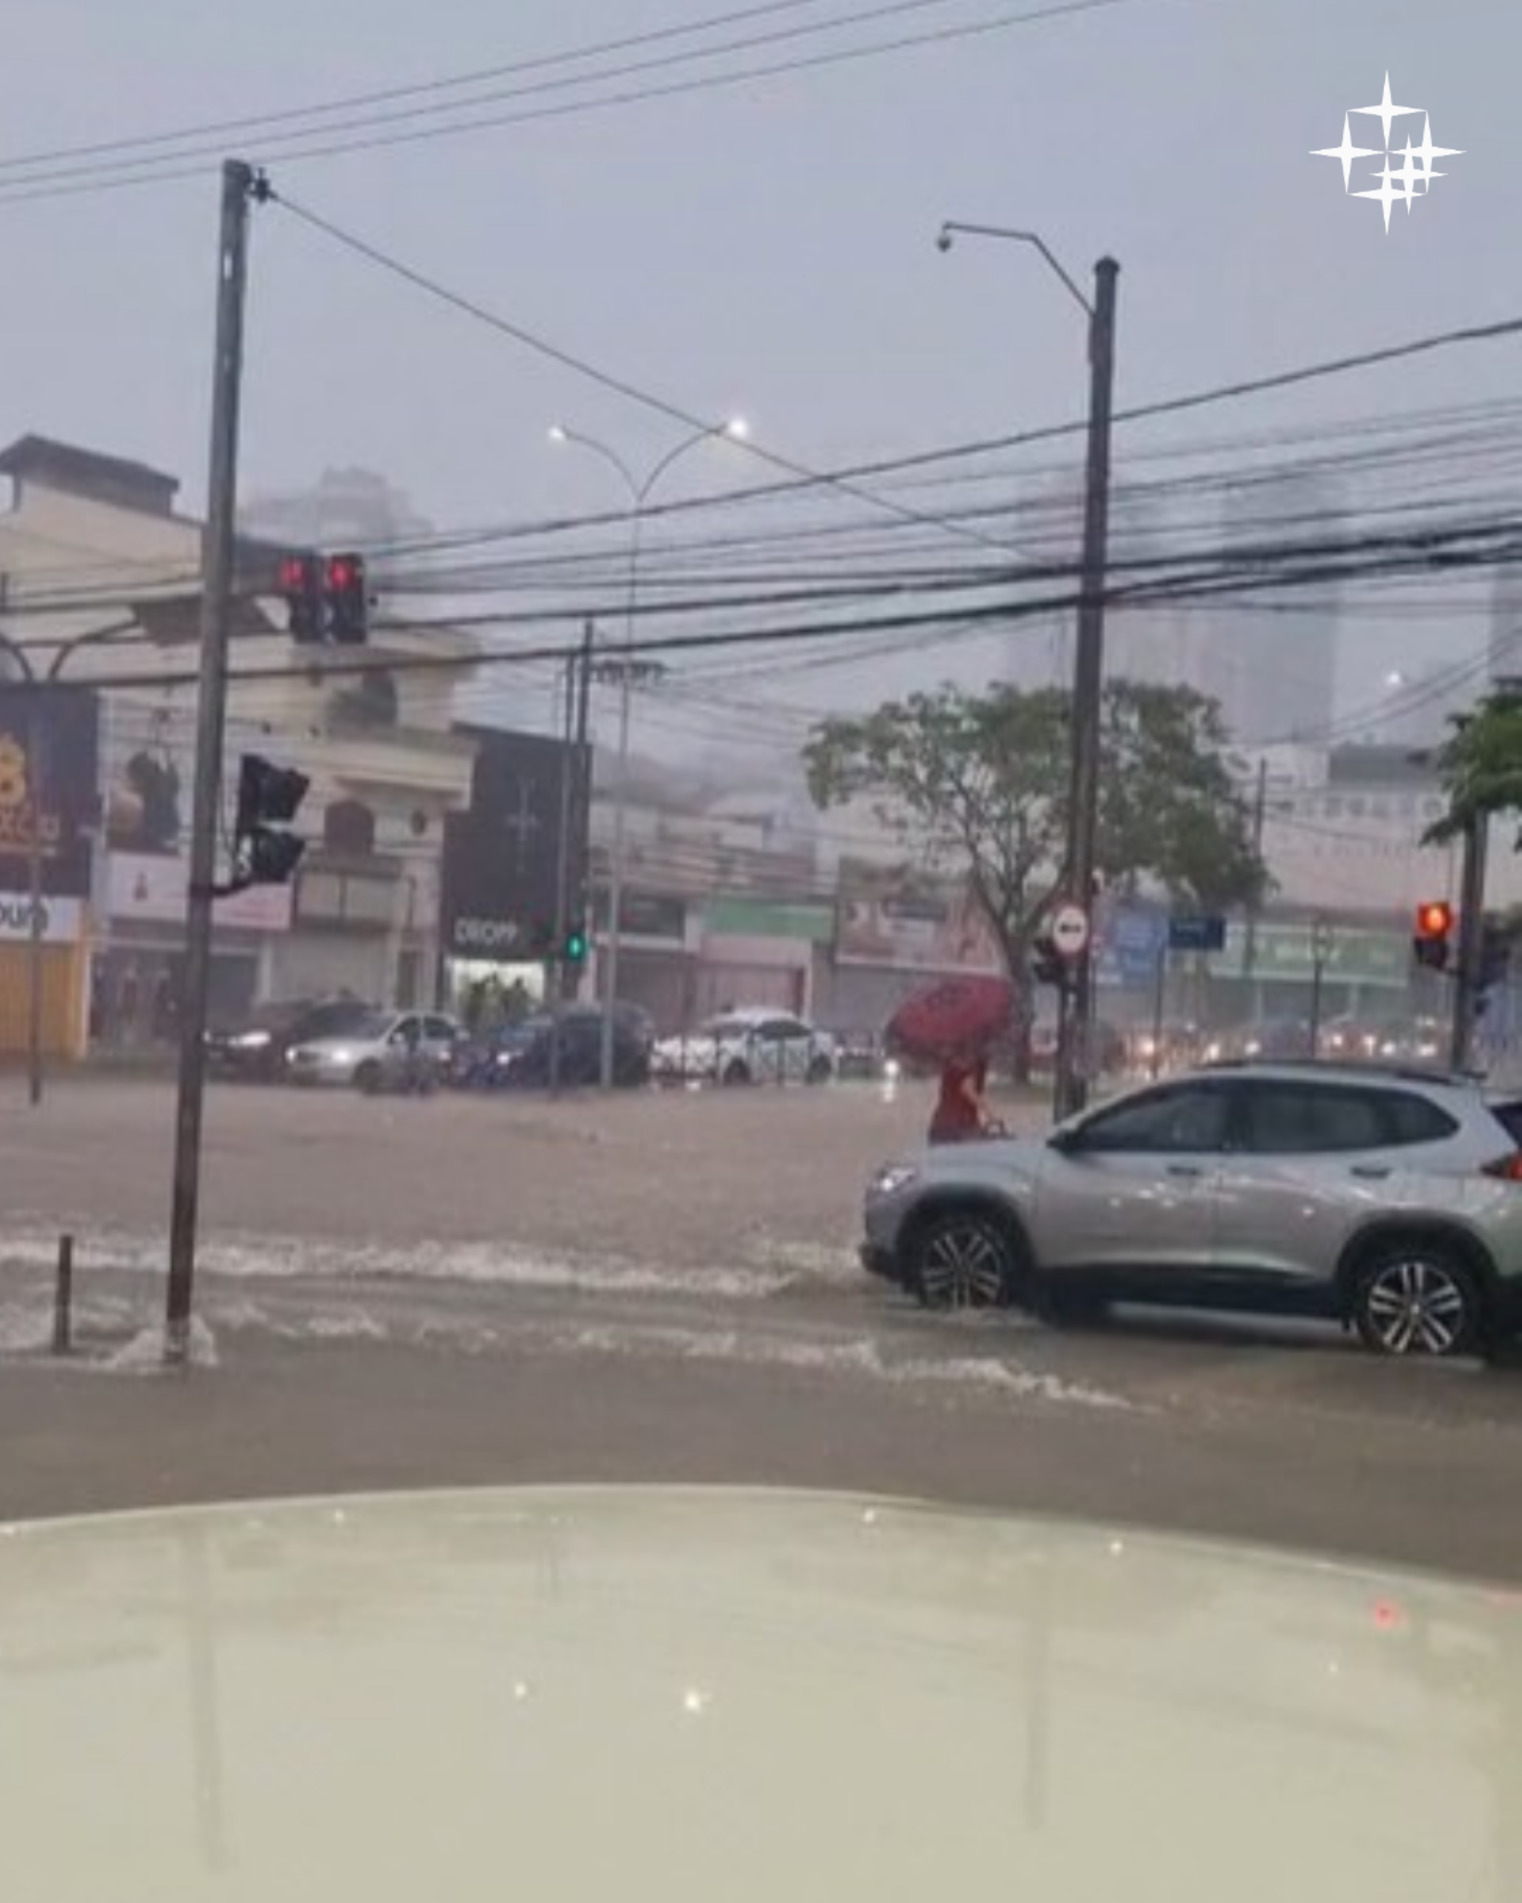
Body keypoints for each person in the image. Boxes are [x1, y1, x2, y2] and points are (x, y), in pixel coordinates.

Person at [929, 1052, 997, 1144]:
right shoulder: (969, 1064)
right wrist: (990, 1115)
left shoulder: (953, 1063)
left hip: (941, 1126)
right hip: (958, 1127)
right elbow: (967, 1090)